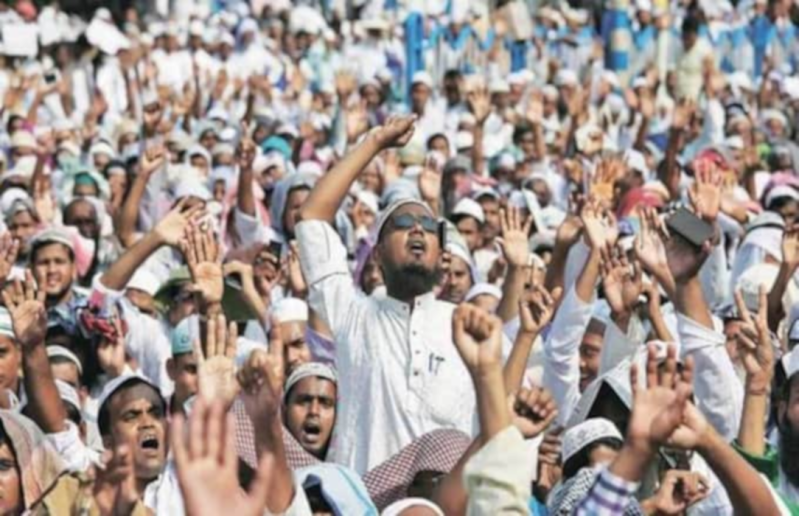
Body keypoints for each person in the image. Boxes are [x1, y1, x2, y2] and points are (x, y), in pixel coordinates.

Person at [297, 116, 505, 474]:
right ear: (376, 254)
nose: (417, 232)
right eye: (403, 225)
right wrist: (374, 141)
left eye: (427, 227)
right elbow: (313, 215)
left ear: (443, 254)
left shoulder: (464, 327)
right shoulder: (352, 313)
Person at [283, 362, 337, 460]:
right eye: (304, 401)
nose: (313, 411)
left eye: (325, 403)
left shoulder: (348, 473)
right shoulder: (263, 469)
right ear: (285, 410)